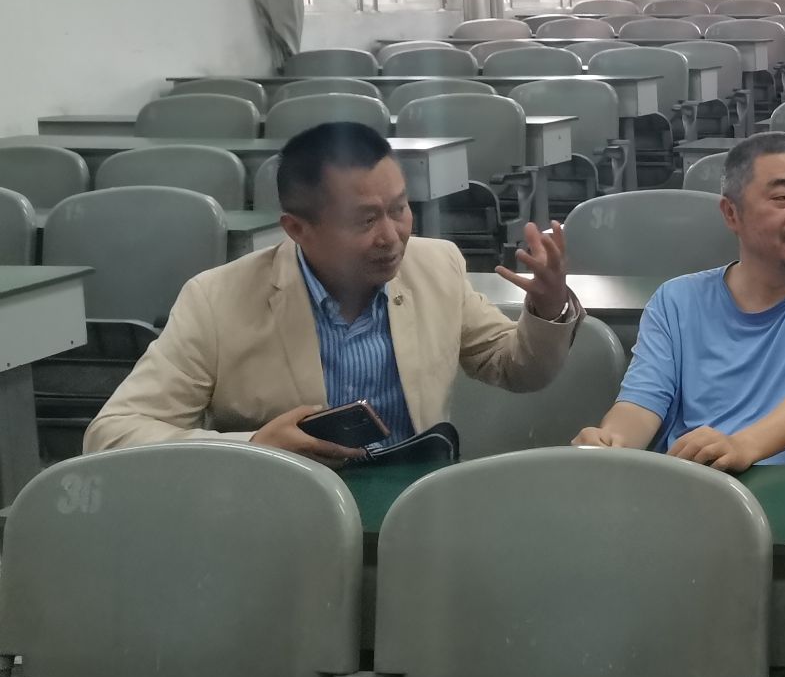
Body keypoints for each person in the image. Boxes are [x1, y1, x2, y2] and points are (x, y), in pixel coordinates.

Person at [85, 121, 580, 457]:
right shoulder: (216, 300)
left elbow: (518, 370)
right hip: (280, 509)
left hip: (415, 502)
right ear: (297, 229)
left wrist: (548, 308)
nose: (392, 236)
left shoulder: (435, 266)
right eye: (364, 220)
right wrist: (254, 447)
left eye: (399, 209)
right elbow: (113, 433)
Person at [571, 132, 785, 469]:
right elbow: (642, 402)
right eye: (781, 197)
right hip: (694, 480)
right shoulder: (676, 300)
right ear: (731, 213)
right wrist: (612, 440)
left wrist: (741, 446)